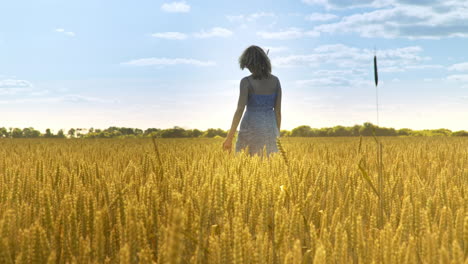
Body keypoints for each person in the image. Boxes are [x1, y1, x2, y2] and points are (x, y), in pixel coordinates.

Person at [222, 45, 282, 156]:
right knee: (270, 165)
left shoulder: (246, 81)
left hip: (250, 128)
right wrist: (276, 135)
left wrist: (229, 137)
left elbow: (240, 109)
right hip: (270, 128)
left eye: (248, 65)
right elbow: (277, 111)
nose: (248, 68)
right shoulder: (275, 81)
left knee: (245, 161)